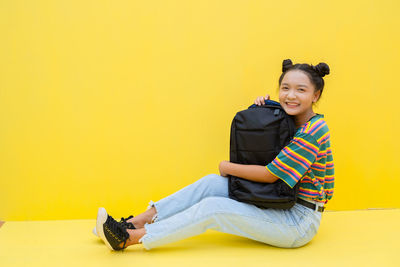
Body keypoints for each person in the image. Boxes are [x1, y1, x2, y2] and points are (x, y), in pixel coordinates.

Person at [94, 58, 334, 251]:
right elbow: (264, 145)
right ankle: (134, 221)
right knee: (211, 184)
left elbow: (270, 174)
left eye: (300, 90)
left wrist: (227, 166)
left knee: (213, 209)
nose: (291, 95)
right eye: (285, 88)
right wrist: (263, 110)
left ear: (316, 95)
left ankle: (129, 237)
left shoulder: (314, 130)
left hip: (297, 221)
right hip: (281, 200)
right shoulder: (290, 119)